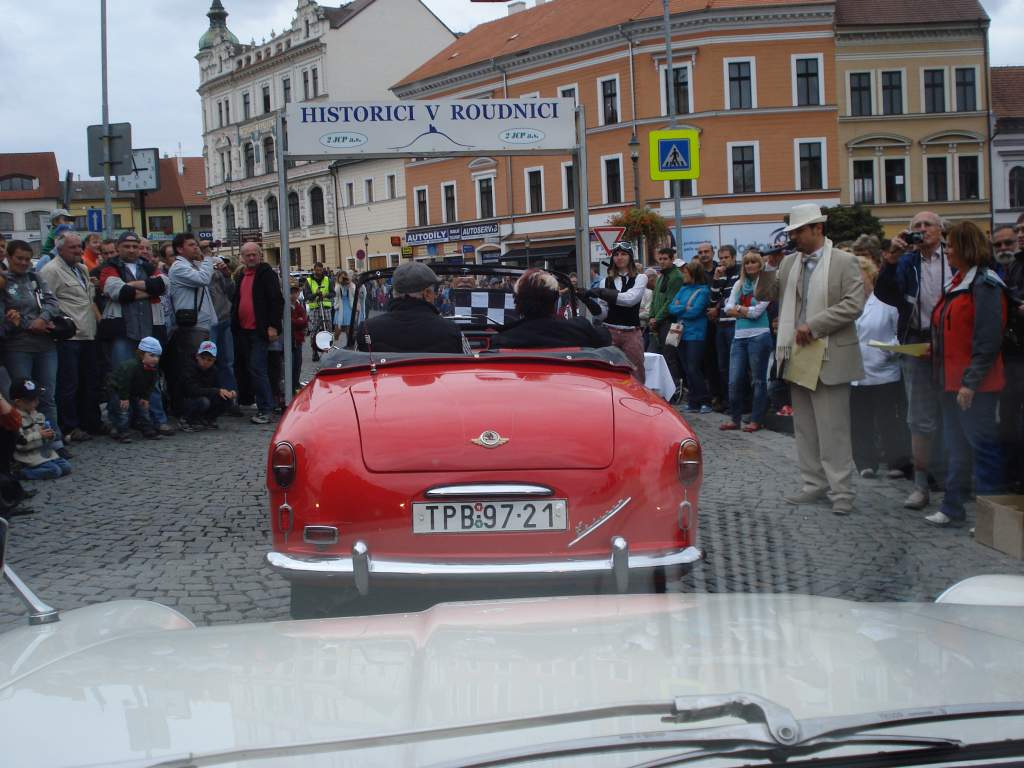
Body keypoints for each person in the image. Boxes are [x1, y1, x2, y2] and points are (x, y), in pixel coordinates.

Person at [755, 203, 866, 516]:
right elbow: (767, 296)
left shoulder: (844, 261)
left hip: (830, 353)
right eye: (791, 232)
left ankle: (841, 490)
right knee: (804, 426)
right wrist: (765, 268)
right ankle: (812, 483)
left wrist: (815, 325)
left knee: (834, 428)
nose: (794, 237)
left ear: (818, 228)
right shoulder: (789, 263)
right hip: (796, 352)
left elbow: (853, 305)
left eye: (799, 231)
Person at [925, 221, 1008, 527]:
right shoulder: (961, 282)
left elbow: (988, 340)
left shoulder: (985, 284)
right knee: (956, 448)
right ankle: (952, 507)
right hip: (952, 382)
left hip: (975, 385)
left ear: (965, 248)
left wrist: (970, 383)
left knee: (982, 449)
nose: (946, 251)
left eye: (950, 246)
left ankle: (992, 520)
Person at [874, 211, 947, 511]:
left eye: (927, 225)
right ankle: (920, 484)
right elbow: (884, 294)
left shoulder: (953, 259)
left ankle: (954, 481)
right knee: (918, 418)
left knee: (953, 413)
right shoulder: (907, 263)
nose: (921, 230)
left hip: (950, 342)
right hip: (917, 340)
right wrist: (890, 261)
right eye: (916, 226)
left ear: (941, 231)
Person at [98, 231, 173, 435]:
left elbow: (163, 285)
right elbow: (117, 291)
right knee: (120, 377)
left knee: (151, 379)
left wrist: (132, 288)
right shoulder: (109, 267)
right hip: (123, 331)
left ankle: (154, 419)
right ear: (119, 247)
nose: (131, 250)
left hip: (149, 330)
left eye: (135, 246)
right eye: (127, 246)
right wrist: (148, 290)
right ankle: (120, 423)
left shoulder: (149, 266)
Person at [2, 239, 68, 459]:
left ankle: (54, 440)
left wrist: (43, 318)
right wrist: (28, 324)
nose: (23, 263)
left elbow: (52, 302)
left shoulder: (36, 278)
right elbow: (6, 315)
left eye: (27, 259)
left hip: (45, 344)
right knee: (22, 397)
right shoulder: (3, 281)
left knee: (47, 395)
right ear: (9, 258)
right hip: (18, 346)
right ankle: (23, 444)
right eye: (18, 258)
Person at [39, 232, 103, 442]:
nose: (78, 250)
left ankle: (89, 422)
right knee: (69, 384)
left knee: (89, 381)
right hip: (69, 336)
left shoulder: (82, 268)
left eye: (79, 246)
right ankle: (69, 426)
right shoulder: (51, 270)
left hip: (88, 333)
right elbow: (47, 301)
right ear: (59, 249)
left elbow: (87, 298)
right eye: (73, 247)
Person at [849, 257, 906, 479]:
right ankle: (864, 462)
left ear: (870, 276)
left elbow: (899, 334)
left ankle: (896, 461)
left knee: (888, 420)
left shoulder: (887, 305)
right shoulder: (847, 305)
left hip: (884, 370)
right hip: (856, 373)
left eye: (858, 275)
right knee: (860, 421)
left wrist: (890, 349)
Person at [357, 261, 463, 354]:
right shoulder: (451, 331)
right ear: (427, 294)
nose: (435, 296)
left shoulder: (367, 329)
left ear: (394, 293)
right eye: (434, 291)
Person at [231, 241, 284, 425]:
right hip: (243, 330)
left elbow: (276, 301)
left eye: (254, 254)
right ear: (242, 257)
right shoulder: (241, 275)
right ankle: (258, 403)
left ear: (260, 255)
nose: (251, 257)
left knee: (258, 369)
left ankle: (266, 408)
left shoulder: (266, 274)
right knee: (251, 369)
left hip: (259, 331)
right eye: (248, 255)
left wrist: (273, 326)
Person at [492, 269, 612, 349]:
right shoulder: (580, 328)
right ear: (554, 299)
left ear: (517, 302)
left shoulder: (502, 340)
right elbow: (605, 339)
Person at [721, 250, 772, 432]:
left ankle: (756, 419)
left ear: (760, 265)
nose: (750, 265)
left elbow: (757, 312)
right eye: (747, 263)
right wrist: (745, 310)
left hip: (760, 335)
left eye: (753, 262)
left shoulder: (766, 283)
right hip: (740, 336)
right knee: (734, 380)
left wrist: (738, 309)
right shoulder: (739, 283)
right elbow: (727, 308)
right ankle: (734, 418)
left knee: (758, 380)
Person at [168, 233, 216, 412]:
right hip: (190, 325)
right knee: (191, 367)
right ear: (180, 249)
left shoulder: (191, 265)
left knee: (201, 367)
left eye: (196, 245)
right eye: (191, 245)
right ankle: (187, 408)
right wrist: (208, 258)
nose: (196, 248)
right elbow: (203, 279)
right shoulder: (179, 267)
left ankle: (199, 407)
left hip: (200, 323)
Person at [589, 242, 647, 381]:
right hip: (610, 331)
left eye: (624, 254)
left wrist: (602, 292)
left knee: (636, 372)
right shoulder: (605, 281)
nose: (619, 257)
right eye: (616, 254)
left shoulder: (640, 278)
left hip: (631, 333)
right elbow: (603, 314)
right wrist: (590, 303)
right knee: (610, 372)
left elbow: (630, 300)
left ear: (630, 258)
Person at [668, 261, 712, 413]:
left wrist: (681, 308)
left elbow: (695, 312)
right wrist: (684, 307)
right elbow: (671, 307)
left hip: (696, 334)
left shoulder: (703, 291)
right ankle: (694, 402)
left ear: (693, 274)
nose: (683, 275)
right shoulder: (683, 289)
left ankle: (705, 400)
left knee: (694, 368)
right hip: (681, 334)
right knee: (686, 368)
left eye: (686, 272)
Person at [11, 378, 71, 481]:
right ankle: (22, 473)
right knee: (54, 471)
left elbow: (47, 439)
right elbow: (20, 444)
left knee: (66, 467)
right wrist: (39, 435)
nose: (37, 402)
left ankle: (42, 466)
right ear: (18, 402)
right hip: (28, 457)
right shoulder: (15, 418)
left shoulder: (37, 415)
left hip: (44, 454)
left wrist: (50, 435)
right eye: (32, 400)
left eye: (37, 398)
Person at [1002, 213, 1024, 490]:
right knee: (1009, 420)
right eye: (1018, 229)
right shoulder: (1015, 265)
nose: (1020, 235)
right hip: (1014, 354)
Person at [108, 336, 163, 442]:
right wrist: (124, 398)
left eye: (157, 356)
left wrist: (145, 397)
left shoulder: (153, 368)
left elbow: (151, 384)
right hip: (118, 390)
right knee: (123, 411)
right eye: (152, 355)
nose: (155, 359)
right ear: (141, 354)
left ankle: (147, 429)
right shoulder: (131, 366)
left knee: (144, 409)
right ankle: (122, 431)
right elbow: (124, 383)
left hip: (136, 391)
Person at [647, 247, 685, 399]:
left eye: (665, 259)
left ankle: (675, 390)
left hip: (670, 322)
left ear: (671, 259)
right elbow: (655, 298)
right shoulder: (661, 275)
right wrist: (651, 316)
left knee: (669, 357)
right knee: (653, 355)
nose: (662, 262)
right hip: (657, 323)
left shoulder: (676, 276)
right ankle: (658, 389)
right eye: (660, 259)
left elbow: (671, 301)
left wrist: (657, 318)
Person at [178, 341, 235, 431]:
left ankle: (207, 419)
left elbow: (220, 386)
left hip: (203, 397)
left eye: (209, 360)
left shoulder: (214, 370)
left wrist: (230, 392)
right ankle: (186, 420)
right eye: (203, 358)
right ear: (197, 356)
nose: (205, 362)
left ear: (214, 360)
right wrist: (216, 391)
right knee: (204, 401)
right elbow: (191, 390)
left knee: (227, 398)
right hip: (185, 400)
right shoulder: (188, 368)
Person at [710, 245, 741, 412]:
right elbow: (713, 299)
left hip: (735, 324)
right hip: (721, 324)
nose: (722, 261)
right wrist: (716, 279)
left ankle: (739, 403)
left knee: (735, 366)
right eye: (720, 258)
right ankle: (728, 402)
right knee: (723, 366)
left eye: (726, 257)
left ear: (734, 258)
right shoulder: (720, 274)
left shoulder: (740, 273)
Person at [209, 254, 240, 411]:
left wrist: (227, 275)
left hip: (224, 319)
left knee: (227, 363)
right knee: (208, 361)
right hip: (208, 322)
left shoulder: (221, 273)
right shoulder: (200, 269)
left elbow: (231, 292)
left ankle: (231, 399)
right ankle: (213, 400)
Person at [304, 262, 334, 362]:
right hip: (315, 308)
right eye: (317, 270)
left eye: (320, 270)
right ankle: (314, 351)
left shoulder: (328, 280)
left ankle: (328, 349)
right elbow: (307, 296)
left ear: (322, 270)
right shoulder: (309, 281)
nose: (319, 272)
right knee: (314, 330)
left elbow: (333, 293)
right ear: (314, 270)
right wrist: (315, 294)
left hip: (325, 307)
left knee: (328, 329)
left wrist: (326, 295)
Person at [289, 283, 309, 393]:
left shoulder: (299, 306)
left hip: (298, 339)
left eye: (295, 292)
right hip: (290, 341)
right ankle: (290, 387)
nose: (293, 295)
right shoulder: (286, 306)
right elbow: (289, 322)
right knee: (290, 365)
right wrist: (298, 321)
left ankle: (296, 384)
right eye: (291, 292)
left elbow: (305, 321)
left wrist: (297, 321)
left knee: (298, 364)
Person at [333, 270, 354, 344]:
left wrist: (349, 283)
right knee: (337, 331)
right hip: (340, 308)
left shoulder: (351, 285)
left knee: (349, 330)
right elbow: (335, 292)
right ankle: (334, 345)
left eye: (345, 277)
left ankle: (350, 345)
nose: (344, 279)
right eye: (342, 277)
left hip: (348, 308)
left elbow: (355, 292)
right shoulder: (337, 286)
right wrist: (340, 283)